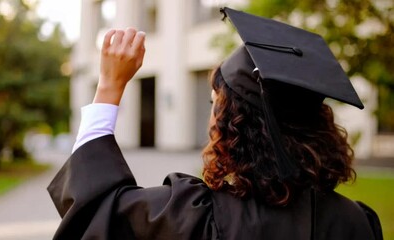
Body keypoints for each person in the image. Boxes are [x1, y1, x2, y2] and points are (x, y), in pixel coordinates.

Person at [48, 7, 382, 240]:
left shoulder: (197, 219)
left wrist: (108, 87)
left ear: (233, 124)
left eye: (214, 103)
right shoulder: (356, 223)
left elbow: (94, 214)